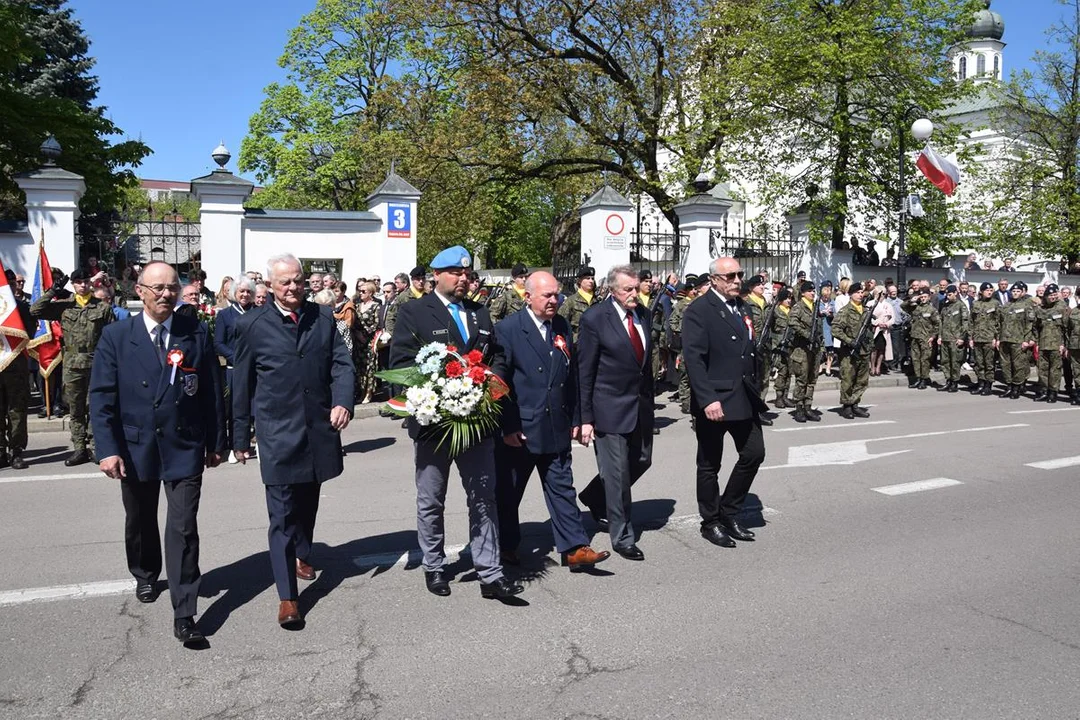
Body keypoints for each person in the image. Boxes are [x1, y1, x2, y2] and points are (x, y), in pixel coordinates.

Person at [89, 261, 225, 647]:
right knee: (141, 518)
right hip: (135, 448)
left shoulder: (193, 333)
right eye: (158, 288)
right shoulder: (117, 336)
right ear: (140, 291)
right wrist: (108, 449)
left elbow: (212, 392)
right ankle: (146, 574)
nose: (167, 294)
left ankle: (185, 612)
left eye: (172, 288)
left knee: (183, 527)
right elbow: (101, 398)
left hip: (184, 444)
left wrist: (217, 442)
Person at [389, 245, 523, 600]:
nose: (464, 279)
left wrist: (489, 384)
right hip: (435, 422)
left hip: (477, 424)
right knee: (432, 498)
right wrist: (436, 393)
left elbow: (499, 358)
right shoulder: (415, 311)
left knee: (483, 498)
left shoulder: (480, 313)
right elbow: (401, 364)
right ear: (437, 275)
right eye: (456, 273)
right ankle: (434, 565)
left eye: (467, 273)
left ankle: (490, 573)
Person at [231, 253, 355, 629]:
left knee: (308, 500)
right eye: (284, 282)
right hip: (277, 433)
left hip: (316, 429)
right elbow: (241, 385)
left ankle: (304, 552)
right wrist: (239, 436)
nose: (293, 288)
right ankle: (288, 597)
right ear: (269, 286)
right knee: (282, 516)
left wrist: (342, 400)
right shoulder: (253, 325)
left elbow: (341, 364)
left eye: (298, 280)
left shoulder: (322, 319)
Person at [493, 271, 610, 571]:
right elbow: (499, 380)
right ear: (528, 296)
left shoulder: (560, 326)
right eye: (547, 295)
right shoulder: (508, 328)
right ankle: (505, 546)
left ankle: (574, 548)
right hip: (522, 428)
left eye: (556, 294)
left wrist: (576, 418)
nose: (554, 300)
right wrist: (508, 425)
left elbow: (570, 376)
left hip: (556, 424)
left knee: (562, 487)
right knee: (509, 493)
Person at [681, 257, 767, 549]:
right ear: (714, 279)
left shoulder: (742, 307)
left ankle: (730, 511)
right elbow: (694, 359)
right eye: (730, 276)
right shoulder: (699, 310)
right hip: (715, 400)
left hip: (743, 396)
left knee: (754, 453)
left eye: (739, 275)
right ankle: (711, 522)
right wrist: (707, 399)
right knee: (709, 464)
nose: (737, 280)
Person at [576, 264, 655, 562]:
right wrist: (585, 418)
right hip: (608, 407)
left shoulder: (642, 314)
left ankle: (595, 496)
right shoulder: (595, 318)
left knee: (642, 461)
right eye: (628, 289)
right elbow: (585, 371)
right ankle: (623, 536)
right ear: (612, 289)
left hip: (639, 406)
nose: (635, 293)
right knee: (618, 475)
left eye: (636, 287)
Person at [30, 267, 116, 465]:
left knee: (95, 406)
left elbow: (112, 337)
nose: (83, 285)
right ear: (74, 285)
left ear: (91, 283)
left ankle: (95, 446)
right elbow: (35, 310)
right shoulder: (64, 306)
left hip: (95, 363)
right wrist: (52, 291)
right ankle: (79, 448)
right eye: (78, 282)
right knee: (76, 408)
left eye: (86, 281)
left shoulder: (102, 307)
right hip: (72, 364)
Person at [215, 277, 257, 462]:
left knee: (255, 406)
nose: (245, 295)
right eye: (241, 291)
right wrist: (237, 358)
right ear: (234, 293)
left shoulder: (259, 313)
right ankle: (235, 446)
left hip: (256, 368)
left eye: (248, 291)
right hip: (234, 369)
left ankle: (253, 444)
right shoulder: (225, 315)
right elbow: (218, 343)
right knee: (235, 408)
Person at [0, 270, 32, 469]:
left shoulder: (21, 308)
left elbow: (29, 331)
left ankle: (17, 451)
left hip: (15, 366)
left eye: (13, 284)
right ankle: (0, 451)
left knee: (17, 411)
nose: (11, 287)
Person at [832, 282, 873, 419]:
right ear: (851, 294)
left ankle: (855, 403)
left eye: (862, 293)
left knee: (862, 380)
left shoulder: (866, 310)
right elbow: (835, 329)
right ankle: (847, 406)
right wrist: (849, 341)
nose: (860, 295)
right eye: (858, 293)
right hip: (849, 352)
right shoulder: (845, 311)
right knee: (848, 379)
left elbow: (869, 331)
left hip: (864, 350)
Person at [787, 281, 824, 422]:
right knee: (801, 380)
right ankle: (799, 408)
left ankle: (808, 406)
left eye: (813, 291)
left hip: (814, 349)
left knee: (811, 380)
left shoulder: (815, 307)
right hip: (801, 349)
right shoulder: (798, 307)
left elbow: (819, 329)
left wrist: (821, 346)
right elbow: (793, 322)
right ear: (802, 293)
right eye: (809, 291)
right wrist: (807, 334)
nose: (812, 293)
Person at [995, 281, 1036, 398]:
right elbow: (999, 323)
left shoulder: (1026, 306)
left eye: (1018, 291)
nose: (1015, 293)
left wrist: (1026, 340)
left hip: (1018, 340)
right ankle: (1009, 386)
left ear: (1022, 293)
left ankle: (1017, 387)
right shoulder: (1006, 306)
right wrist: (998, 338)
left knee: (1018, 365)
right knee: (1005, 364)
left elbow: (1029, 325)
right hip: (1005, 340)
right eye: (1013, 291)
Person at [1033, 283, 1068, 402]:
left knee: (1055, 370)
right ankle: (1044, 391)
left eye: (1055, 295)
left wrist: (1063, 344)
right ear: (1046, 296)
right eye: (1050, 295)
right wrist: (1036, 343)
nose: (1053, 297)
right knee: (1042, 369)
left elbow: (1066, 328)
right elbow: (1035, 328)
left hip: (1056, 345)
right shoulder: (1040, 310)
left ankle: (1053, 392)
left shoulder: (1062, 308)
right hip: (1043, 344)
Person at [902, 287, 939, 389]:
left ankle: (924, 379)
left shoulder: (932, 310)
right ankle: (918, 378)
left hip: (926, 338)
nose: (923, 299)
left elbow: (937, 324)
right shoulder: (915, 308)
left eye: (925, 297)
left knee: (924, 360)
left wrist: (933, 336)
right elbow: (903, 306)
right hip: (915, 337)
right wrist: (912, 299)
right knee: (915, 359)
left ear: (929, 297)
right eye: (921, 297)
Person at [936, 285, 970, 393]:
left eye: (950, 294)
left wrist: (962, 337)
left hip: (955, 339)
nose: (948, 296)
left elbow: (965, 323)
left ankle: (955, 382)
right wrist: (940, 336)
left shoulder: (961, 306)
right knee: (945, 361)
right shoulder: (945, 307)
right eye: (947, 294)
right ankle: (948, 381)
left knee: (955, 362)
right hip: (945, 338)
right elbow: (941, 322)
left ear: (955, 293)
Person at [969, 282, 999, 396]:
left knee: (989, 363)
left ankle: (988, 385)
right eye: (987, 290)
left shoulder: (995, 304)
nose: (989, 292)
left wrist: (996, 338)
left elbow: (999, 322)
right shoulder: (975, 304)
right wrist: (970, 337)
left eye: (991, 290)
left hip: (989, 338)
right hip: (977, 338)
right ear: (981, 292)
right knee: (979, 363)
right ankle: (981, 383)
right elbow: (971, 321)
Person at [352, 281, 380, 403]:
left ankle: (368, 393)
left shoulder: (375, 306)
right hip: (358, 342)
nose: (361, 293)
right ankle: (361, 391)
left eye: (364, 291)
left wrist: (366, 334)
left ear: (371, 293)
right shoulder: (357, 306)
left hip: (369, 341)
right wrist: (357, 334)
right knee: (360, 368)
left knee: (369, 367)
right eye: (360, 291)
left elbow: (377, 323)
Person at [557, 266, 597, 343]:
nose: (591, 281)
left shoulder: (598, 300)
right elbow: (560, 322)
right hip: (578, 344)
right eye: (587, 278)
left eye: (592, 278)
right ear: (579, 281)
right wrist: (573, 339)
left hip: (596, 343)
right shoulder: (571, 301)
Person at [383, 266, 426, 339]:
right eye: (418, 279)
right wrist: (394, 335)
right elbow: (391, 316)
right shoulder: (403, 297)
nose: (421, 281)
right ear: (412, 280)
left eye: (423, 278)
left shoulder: (429, 296)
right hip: (407, 336)